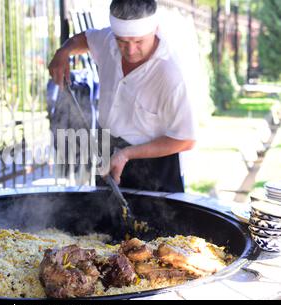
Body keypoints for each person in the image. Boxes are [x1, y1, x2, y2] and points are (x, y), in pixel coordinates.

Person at [48, 0, 197, 193]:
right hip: (108, 154)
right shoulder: (108, 40)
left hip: (154, 167)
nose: (130, 50)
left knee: (157, 223)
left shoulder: (170, 73)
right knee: (102, 221)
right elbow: (85, 38)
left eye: (138, 41)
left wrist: (127, 154)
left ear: (155, 29)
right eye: (123, 41)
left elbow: (186, 139)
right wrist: (63, 52)